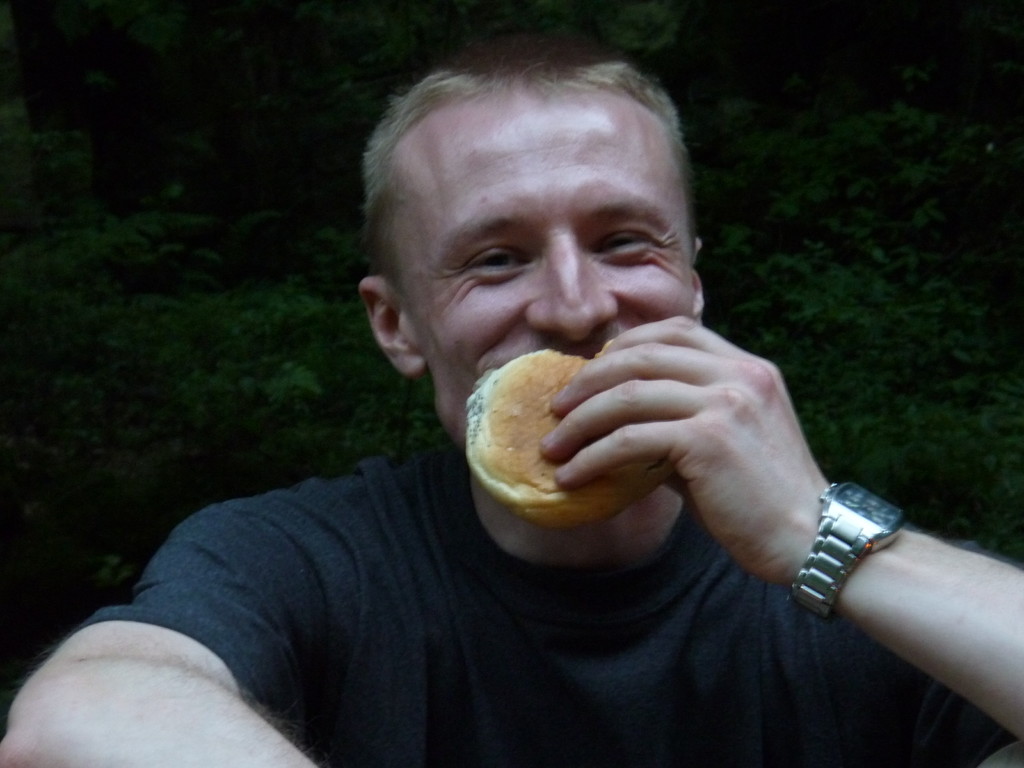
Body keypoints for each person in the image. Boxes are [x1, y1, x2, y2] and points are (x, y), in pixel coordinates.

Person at [1, 33, 1022, 768]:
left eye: (626, 241)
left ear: (693, 286)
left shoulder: (854, 593)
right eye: (495, 260)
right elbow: (77, 718)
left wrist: (814, 533)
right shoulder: (303, 561)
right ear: (396, 324)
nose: (578, 307)